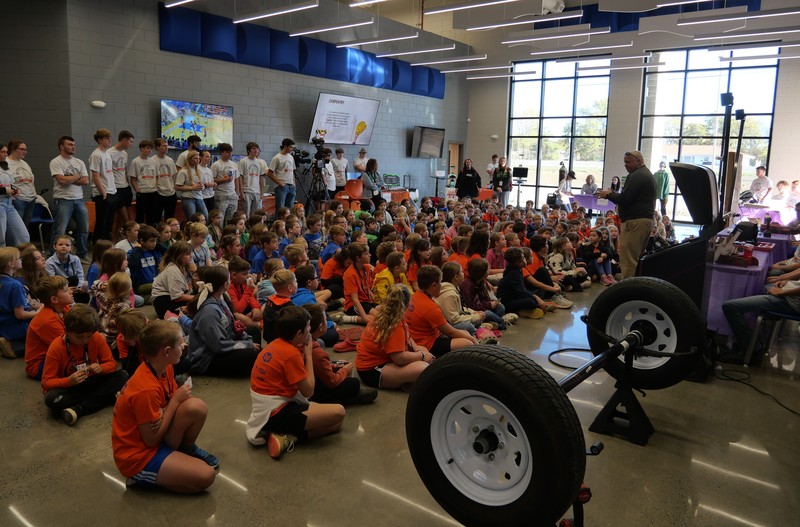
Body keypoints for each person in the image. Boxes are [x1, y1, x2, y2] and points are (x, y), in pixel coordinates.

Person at [112, 319, 218, 492]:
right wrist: (174, 402)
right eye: (180, 342)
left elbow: (170, 406)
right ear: (167, 351)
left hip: (157, 434)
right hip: (139, 456)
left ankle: (185, 450)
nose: (184, 345)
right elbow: (150, 439)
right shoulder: (144, 389)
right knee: (206, 476)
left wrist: (167, 408)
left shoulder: (165, 366)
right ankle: (139, 478)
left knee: (196, 407)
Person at [246, 306, 346, 459]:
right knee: (339, 412)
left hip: (268, 406)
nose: (310, 329)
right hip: (276, 413)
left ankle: (284, 434)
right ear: (299, 333)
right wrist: (308, 354)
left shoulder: (275, 344)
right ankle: (287, 435)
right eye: (308, 327)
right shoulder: (291, 354)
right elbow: (309, 391)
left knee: (334, 424)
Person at [41, 304, 128, 425]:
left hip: (92, 380)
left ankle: (79, 409)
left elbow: (112, 364)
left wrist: (101, 368)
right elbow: (46, 383)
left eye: (88, 336)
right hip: (72, 388)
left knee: (123, 376)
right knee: (52, 399)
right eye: (79, 337)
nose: (85, 340)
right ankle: (106, 398)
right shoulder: (56, 347)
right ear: (66, 331)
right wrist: (69, 381)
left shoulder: (96, 338)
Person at [187, 265, 259, 377]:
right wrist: (247, 344)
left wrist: (241, 334)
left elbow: (229, 324)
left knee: (254, 331)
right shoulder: (209, 311)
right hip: (207, 358)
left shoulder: (220, 298)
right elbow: (218, 346)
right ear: (225, 285)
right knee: (251, 354)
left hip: (221, 343)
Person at [356, 284, 432, 389]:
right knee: (423, 368)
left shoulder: (390, 314)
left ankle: (405, 381)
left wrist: (417, 349)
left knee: (422, 350)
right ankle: (404, 381)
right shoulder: (395, 324)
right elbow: (399, 358)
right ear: (408, 303)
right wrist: (421, 356)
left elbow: (408, 336)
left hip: (379, 361)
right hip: (372, 370)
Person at [597, 150, 656, 280]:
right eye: (624, 162)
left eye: (628, 162)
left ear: (639, 161)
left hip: (635, 222)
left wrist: (609, 194)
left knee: (628, 260)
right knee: (635, 257)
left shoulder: (637, 176)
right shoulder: (645, 174)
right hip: (643, 220)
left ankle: (626, 292)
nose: (626, 165)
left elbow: (624, 199)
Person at [304, 303, 376, 404]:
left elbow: (317, 366)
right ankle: (348, 400)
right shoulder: (316, 352)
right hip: (314, 392)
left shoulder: (305, 342)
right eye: (326, 320)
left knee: (342, 368)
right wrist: (344, 371)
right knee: (354, 383)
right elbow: (331, 381)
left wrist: (332, 365)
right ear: (321, 327)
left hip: (310, 380)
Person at [404, 265, 478, 357]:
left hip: (417, 339)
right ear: (434, 285)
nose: (442, 285)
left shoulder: (415, 296)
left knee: (465, 332)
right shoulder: (430, 307)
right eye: (440, 282)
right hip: (427, 344)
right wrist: (474, 341)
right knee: (467, 342)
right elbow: (450, 332)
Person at [721, 279, 800, 364]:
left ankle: (752, 350)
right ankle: (748, 341)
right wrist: (788, 281)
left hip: (789, 301)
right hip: (788, 293)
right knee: (760, 285)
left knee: (730, 307)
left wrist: (780, 292)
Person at [25, 276, 72, 379]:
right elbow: (68, 345)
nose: (70, 291)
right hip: (39, 365)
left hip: (55, 355)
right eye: (66, 290)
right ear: (54, 299)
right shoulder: (47, 320)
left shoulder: (64, 307)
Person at [49, 136, 88, 259]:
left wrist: (69, 178)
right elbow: (61, 180)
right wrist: (77, 176)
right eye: (70, 144)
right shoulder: (56, 162)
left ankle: (82, 254)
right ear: (62, 146)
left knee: (84, 229)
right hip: (63, 200)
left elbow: (86, 181)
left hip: (79, 199)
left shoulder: (79, 162)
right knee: (59, 230)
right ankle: (53, 256)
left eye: (74, 144)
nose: (73, 146)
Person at [0, 247, 38, 358]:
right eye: (18, 258)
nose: (21, 259)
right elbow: (20, 314)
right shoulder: (15, 285)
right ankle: (14, 347)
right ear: (11, 264)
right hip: (14, 325)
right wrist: (39, 312)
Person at [90, 128, 120, 242]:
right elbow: (95, 176)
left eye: (110, 138)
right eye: (107, 138)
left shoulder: (107, 154)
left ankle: (107, 244)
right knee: (102, 222)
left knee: (109, 222)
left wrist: (113, 190)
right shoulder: (96, 155)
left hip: (112, 191)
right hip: (102, 193)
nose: (110, 140)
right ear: (99, 140)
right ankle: (98, 246)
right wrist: (103, 192)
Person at [0, 144, 30, 248]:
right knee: (1, 238)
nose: (4, 154)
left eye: (5, 152)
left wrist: (13, 191)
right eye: (2, 152)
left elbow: (9, 184)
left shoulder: (5, 166)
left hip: (9, 204)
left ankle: (22, 260)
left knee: (23, 236)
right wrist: (4, 190)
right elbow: (4, 188)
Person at [107, 131, 135, 233]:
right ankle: (124, 236)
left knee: (124, 217)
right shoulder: (109, 153)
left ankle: (118, 237)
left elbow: (124, 170)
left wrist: (128, 185)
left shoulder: (125, 154)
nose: (131, 144)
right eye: (130, 142)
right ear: (124, 140)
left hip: (125, 187)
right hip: (116, 188)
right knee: (124, 217)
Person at [6, 139, 37, 225]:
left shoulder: (24, 163)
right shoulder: (5, 163)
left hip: (30, 199)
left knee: (25, 228)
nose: (25, 152)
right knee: (17, 228)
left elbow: (31, 181)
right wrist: (12, 195)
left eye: (25, 149)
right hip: (18, 200)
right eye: (22, 149)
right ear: (13, 149)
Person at [129, 139, 158, 225]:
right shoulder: (135, 161)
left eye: (151, 149)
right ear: (141, 148)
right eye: (147, 148)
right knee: (140, 216)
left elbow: (156, 176)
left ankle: (151, 234)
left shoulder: (153, 161)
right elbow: (132, 179)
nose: (150, 150)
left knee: (152, 215)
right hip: (142, 192)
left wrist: (156, 187)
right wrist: (138, 191)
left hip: (153, 192)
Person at [175, 150, 208, 220]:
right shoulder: (183, 171)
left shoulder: (199, 171)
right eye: (195, 158)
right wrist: (192, 187)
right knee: (192, 219)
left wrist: (202, 186)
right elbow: (177, 187)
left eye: (199, 158)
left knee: (206, 218)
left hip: (199, 197)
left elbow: (203, 185)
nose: (198, 160)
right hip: (188, 198)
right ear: (190, 159)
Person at [152, 138, 178, 223]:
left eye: (167, 146)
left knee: (170, 218)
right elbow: (153, 178)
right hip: (159, 193)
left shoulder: (170, 160)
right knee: (156, 217)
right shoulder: (152, 160)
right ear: (157, 147)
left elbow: (174, 176)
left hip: (171, 193)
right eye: (164, 146)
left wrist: (174, 188)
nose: (166, 147)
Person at [266, 138, 297, 209]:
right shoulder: (277, 158)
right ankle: (279, 220)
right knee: (280, 208)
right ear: (285, 146)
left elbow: (292, 172)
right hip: (281, 186)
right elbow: (269, 173)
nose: (292, 149)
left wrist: (294, 184)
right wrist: (279, 183)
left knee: (290, 208)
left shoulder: (291, 157)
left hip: (291, 185)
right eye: (291, 147)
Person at [238, 142, 267, 216]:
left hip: (257, 192)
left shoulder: (260, 162)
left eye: (257, 148)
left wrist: (262, 192)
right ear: (248, 150)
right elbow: (240, 178)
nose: (256, 150)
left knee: (256, 214)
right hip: (247, 191)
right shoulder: (243, 161)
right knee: (246, 214)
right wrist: (241, 192)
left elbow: (261, 178)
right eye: (253, 148)